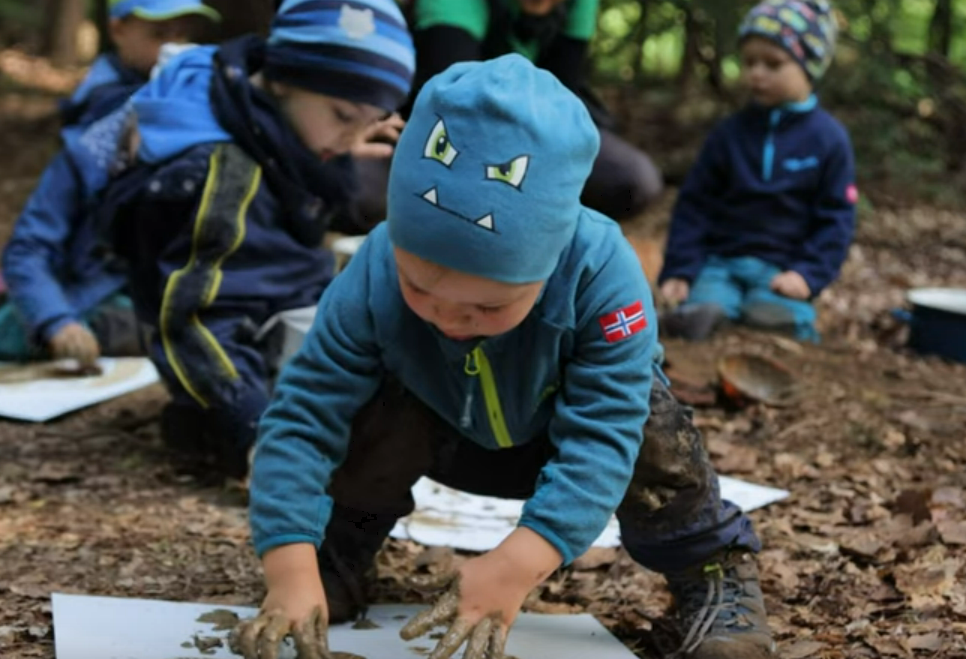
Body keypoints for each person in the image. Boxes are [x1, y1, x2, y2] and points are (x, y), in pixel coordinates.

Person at [232, 55, 773, 659]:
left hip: (556, 434)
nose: (447, 316)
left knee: (649, 421)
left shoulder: (602, 271)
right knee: (361, 400)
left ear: (546, 262)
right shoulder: (377, 267)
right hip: (440, 425)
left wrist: (521, 561)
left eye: (486, 307)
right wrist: (288, 565)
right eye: (419, 289)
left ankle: (709, 567)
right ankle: (339, 549)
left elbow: (604, 432)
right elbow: (303, 414)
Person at [94, 0, 415, 478]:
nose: (352, 139)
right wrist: (253, 428)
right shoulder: (221, 172)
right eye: (345, 115)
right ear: (284, 77)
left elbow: (333, 186)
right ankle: (219, 428)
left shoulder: (287, 130)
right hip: (228, 344)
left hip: (280, 300)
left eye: (370, 122)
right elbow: (193, 321)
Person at [0, 0, 219, 364]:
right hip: (98, 294)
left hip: (169, 296)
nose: (173, 47)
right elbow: (29, 245)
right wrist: (56, 322)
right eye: (159, 33)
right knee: (11, 327)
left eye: (182, 34)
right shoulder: (90, 146)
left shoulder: (213, 144)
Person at [351, 0, 663, 229]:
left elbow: (562, 100)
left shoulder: (579, 6)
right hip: (433, 138)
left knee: (633, 179)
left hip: (528, 139)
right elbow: (452, 102)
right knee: (358, 193)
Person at [658, 0, 856, 343]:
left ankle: (778, 320)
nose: (756, 74)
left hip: (782, 270)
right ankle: (707, 313)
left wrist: (808, 275)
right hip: (720, 262)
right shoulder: (729, 134)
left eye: (773, 63)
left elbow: (836, 218)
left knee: (779, 313)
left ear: (809, 65)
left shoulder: (830, 140)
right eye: (749, 62)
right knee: (707, 304)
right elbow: (694, 205)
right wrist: (681, 268)